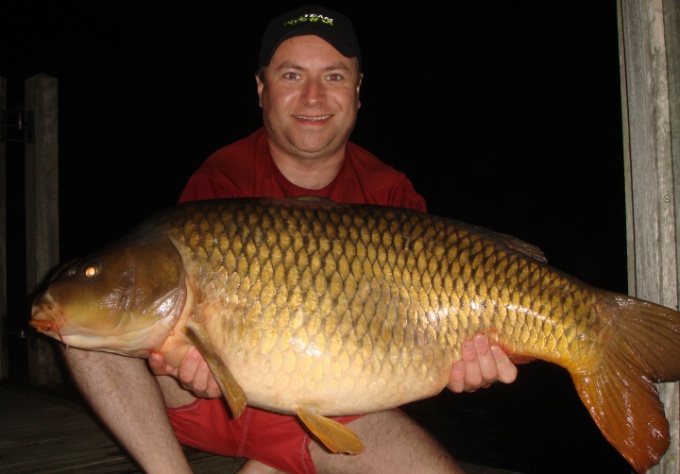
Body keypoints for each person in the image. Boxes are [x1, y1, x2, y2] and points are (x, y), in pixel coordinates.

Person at [63, 5, 518, 474]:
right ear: (262, 90)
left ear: (358, 92)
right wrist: (190, 360)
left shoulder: (390, 194)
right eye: (292, 75)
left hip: (334, 418)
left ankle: (274, 463)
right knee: (82, 328)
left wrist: (467, 361)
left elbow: (416, 345)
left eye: (335, 77)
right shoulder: (221, 181)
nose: (314, 97)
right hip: (206, 406)